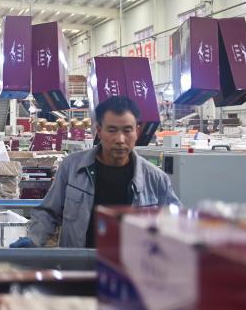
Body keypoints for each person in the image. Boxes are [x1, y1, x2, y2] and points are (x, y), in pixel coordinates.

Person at [11, 96, 180, 249]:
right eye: (112, 130)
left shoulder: (156, 179)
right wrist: (33, 239)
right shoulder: (72, 168)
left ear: (137, 131)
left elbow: (177, 224)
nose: (120, 139)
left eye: (127, 130)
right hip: (79, 267)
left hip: (131, 270)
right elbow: (49, 212)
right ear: (99, 130)